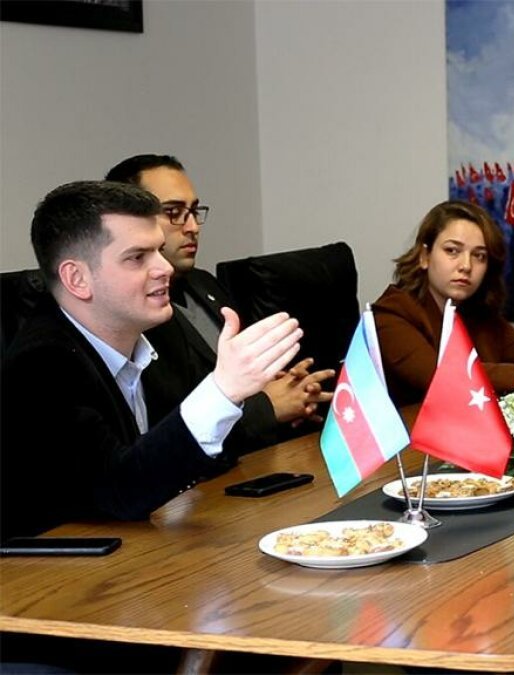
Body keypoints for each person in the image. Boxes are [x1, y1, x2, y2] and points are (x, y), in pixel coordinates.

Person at [0, 181, 304, 538]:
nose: (164, 268)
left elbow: (187, 451)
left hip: (148, 544)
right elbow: (120, 491)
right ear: (77, 278)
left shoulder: (158, 332)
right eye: (137, 257)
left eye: (159, 250)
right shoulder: (40, 366)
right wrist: (224, 389)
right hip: (60, 566)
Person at [105, 155, 333, 449]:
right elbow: (172, 425)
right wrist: (268, 407)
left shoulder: (203, 283)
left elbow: (234, 375)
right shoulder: (132, 311)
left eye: (194, 211)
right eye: (174, 212)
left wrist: (285, 387)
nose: (192, 227)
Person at [373, 200, 514, 407]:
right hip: (410, 433)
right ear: (424, 256)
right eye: (452, 251)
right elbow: (440, 377)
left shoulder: (476, 313)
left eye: (479, 256)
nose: (466, 266)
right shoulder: (391, 313)